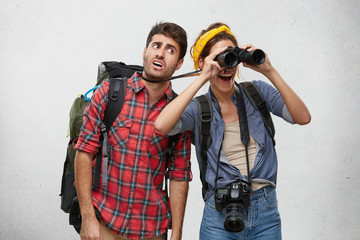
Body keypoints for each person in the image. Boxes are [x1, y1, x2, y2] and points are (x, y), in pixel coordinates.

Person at [155, 22, 311, 240]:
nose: (227, 67)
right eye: (220, 59)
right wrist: (202, 76)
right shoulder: (199, 108)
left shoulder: (257, 92)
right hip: (218, 214)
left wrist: (269, 70)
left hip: (265, 211)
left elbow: (303, 117)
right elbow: (161, 125)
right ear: (204, 62)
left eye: (231, 58)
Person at [74, 22, 192, 240]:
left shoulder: (179, 113)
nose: (161, 53)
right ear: (145, 51)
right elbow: (84, 152)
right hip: (105, 223)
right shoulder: (110, 92)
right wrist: (88, 218)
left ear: (179, 63)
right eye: (156, 45)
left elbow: (179, 175)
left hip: (151, 230)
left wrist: (176, 234)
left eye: (170, 49)